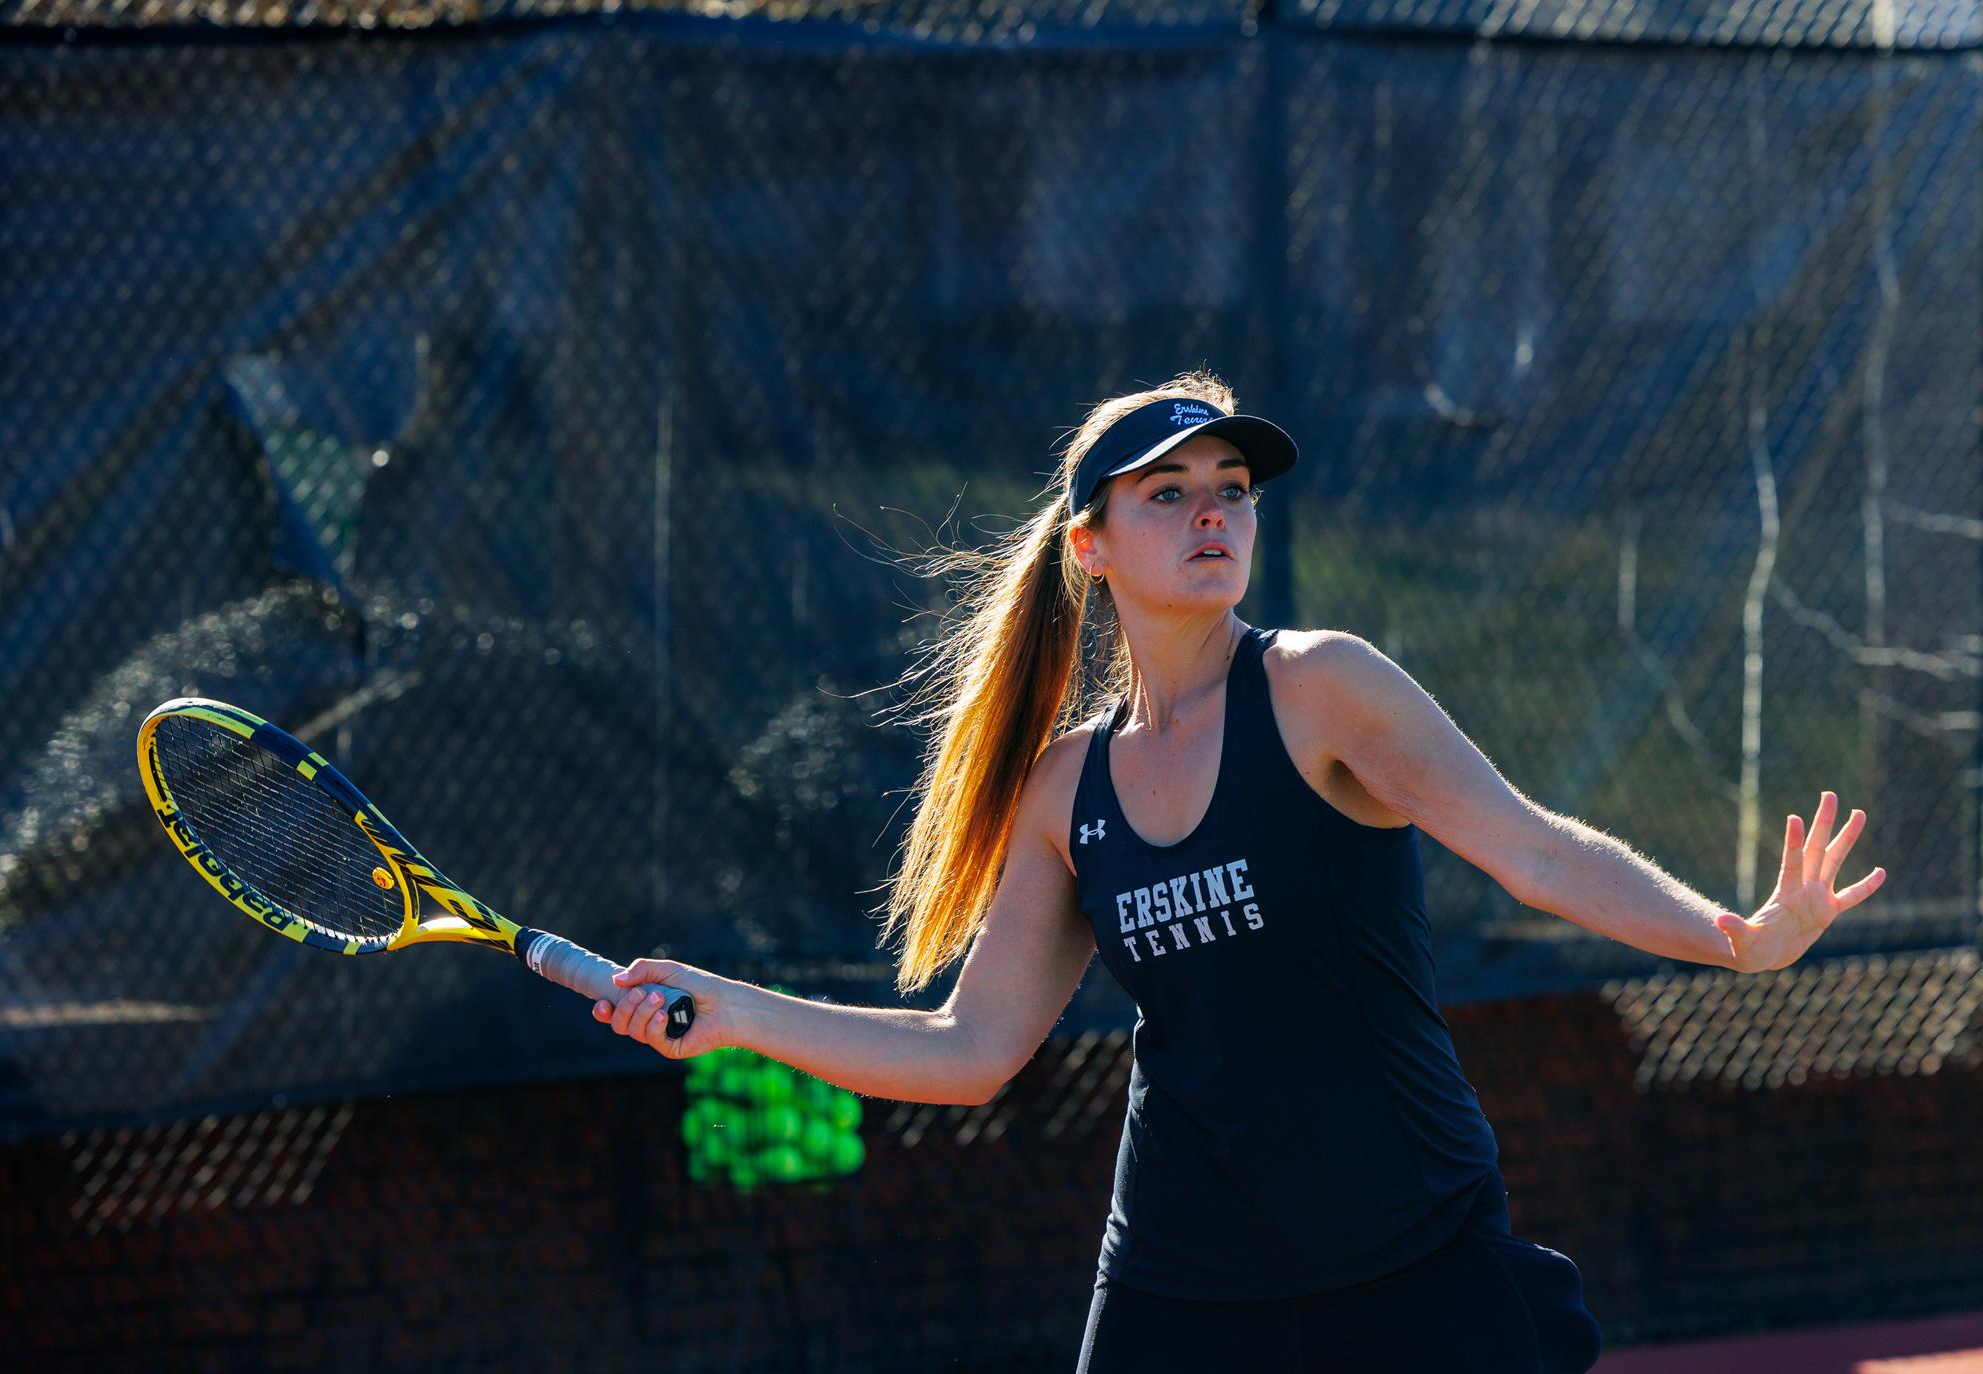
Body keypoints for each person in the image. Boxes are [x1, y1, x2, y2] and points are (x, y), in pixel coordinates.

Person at [591, 369, 1884, 1371]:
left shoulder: (1324, 690)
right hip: (1184, 1270)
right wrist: (736, 1014)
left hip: (1410, 1245)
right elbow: (971, 1047)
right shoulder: (1063, 791)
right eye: (1168, 492)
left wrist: (1739, 934)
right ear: (1090, 544)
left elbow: (1533, 846)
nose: (1213, 512)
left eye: (1232, 488)